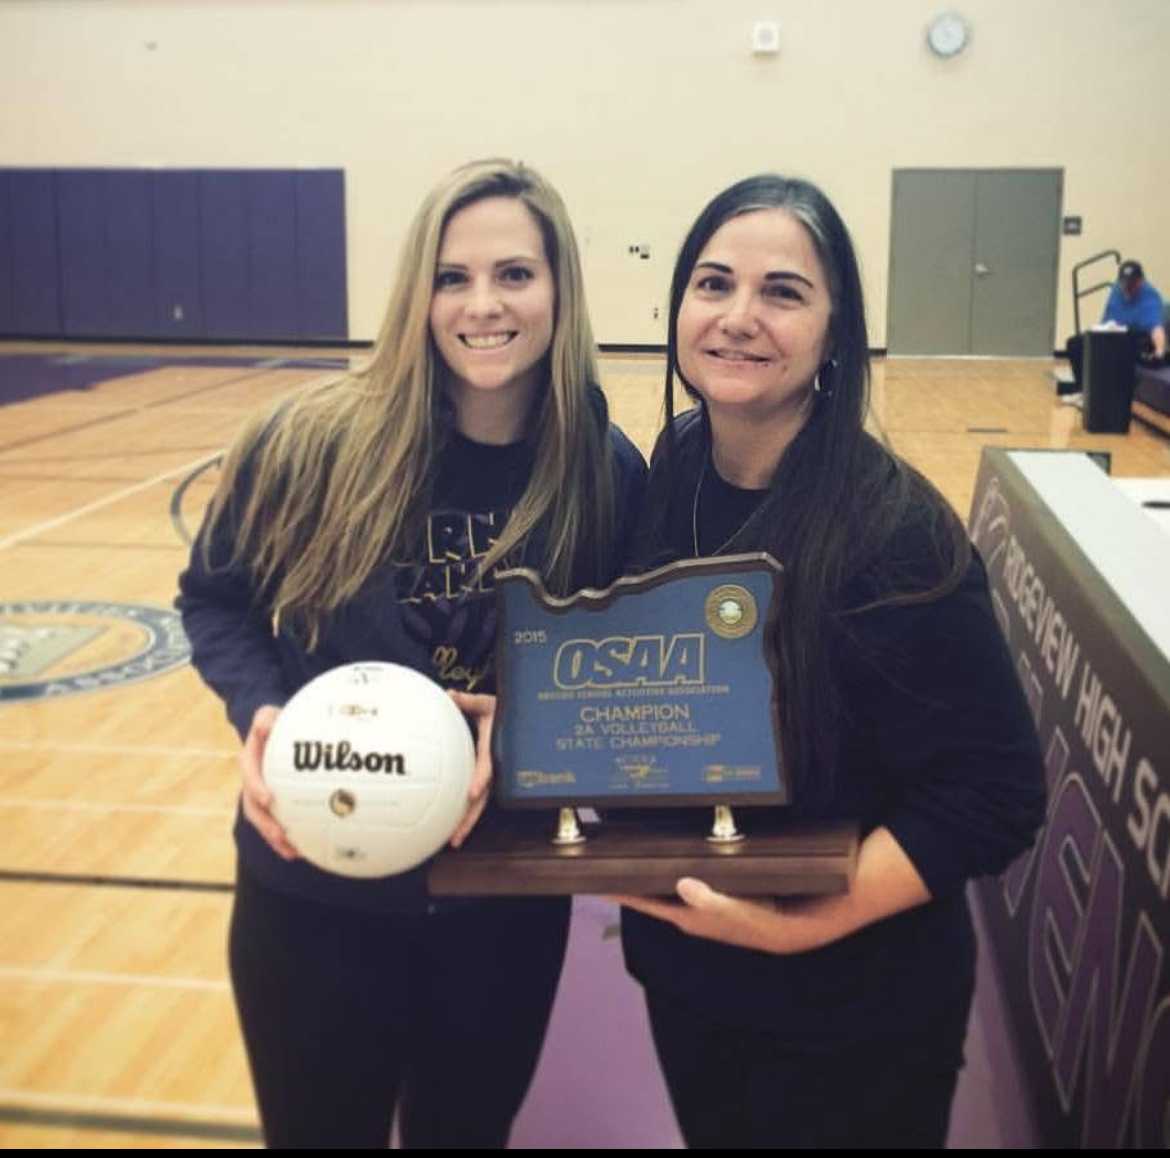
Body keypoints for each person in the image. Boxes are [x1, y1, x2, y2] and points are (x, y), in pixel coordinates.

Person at [177, 158, 646, 1149]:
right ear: (416, 294)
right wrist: (261, 708)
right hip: (312, 887)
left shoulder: (600, 473)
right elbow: (215, 598)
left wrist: (518, 735)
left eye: (515, 274)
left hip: (500, 901)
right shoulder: (309, 442)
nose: (484, 304)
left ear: (559, 289)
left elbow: (620, 668)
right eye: (452, 277)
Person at [614, 174, 1047, 1148]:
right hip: (692, 974)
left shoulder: (897, 534)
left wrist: (806, 923)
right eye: (713, 283)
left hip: (858, 1013)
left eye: (783, 291)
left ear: (835, 331)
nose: (737, 317)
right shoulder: (674, 467)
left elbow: (997, 791)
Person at [1066, 258, 1167, 386]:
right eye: (1124, 284)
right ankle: (1083, 388)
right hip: (1114, 333)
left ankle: (1104, 387)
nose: (1127, 288)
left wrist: (1159, 352)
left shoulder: (1150, 296)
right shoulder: (1116, 290)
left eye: (1132, 285)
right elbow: (1107, 320)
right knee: (1075, 343)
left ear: (1141, 281)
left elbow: (1156, 329)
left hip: (1135, 338)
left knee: (1120, 346)